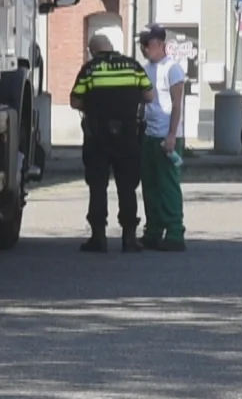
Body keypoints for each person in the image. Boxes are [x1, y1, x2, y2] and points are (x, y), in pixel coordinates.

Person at [69, 32, 155, 253]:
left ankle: (99, 237)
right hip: (127, 135)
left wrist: (93, 102)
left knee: (98, 186)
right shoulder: (133, 66)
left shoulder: (90, 69)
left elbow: (75, 100)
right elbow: (149, 96)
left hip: (97, 137)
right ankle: (129, 238)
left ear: (93, 51)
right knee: (127, 187)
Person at [138, 25, 188, 252]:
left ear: (160, 44)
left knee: (167, 185)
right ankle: (153, 230)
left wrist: (171, 135)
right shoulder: (146, 69)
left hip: (166, 136)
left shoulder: (173, 69)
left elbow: (178, 105)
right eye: (143, 45)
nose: (145, 49)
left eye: (148, 45)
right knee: (150, 185)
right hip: (149, 134)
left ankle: (175, 231)